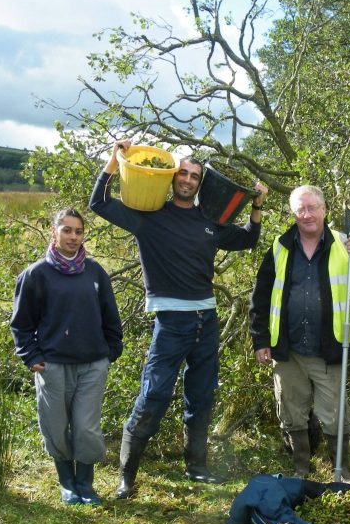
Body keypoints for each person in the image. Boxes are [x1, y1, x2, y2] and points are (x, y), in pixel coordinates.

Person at [90, 141, 268, 497]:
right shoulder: (149, 216)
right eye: (183, 173)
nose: (187, 179)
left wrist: (257, 205)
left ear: (200, 184)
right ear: (172, 178)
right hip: (171, 323)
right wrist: (114, 159)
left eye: (194, 176)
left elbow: (248, 239)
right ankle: (127, 476)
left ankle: (197, 468)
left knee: (202, 396)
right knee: (154, 393)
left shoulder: (210, 222)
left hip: (207, 320)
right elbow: (99, 203)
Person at [249, 185, 350, 482]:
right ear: (294, 214)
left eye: (312, 208)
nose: (307, 215)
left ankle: (341, 471)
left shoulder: (345, 244)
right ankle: (301, 468)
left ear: (324, 209)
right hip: (287, 349)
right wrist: (260, 340)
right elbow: (261, 297)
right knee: (291, 411)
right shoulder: (280, 247)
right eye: (300, 210)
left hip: (329, 348)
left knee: (335, 414)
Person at [10, 207, 124, 506]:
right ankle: (67, 484)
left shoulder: (95, 272)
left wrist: (111, 351)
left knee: (86, 427)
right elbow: (21, 324)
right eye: (67, 230)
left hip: (92, 364)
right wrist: (31, 356)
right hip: (53, 365)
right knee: (56, 426)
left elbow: (111, 317)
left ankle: (86, 484)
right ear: (54, 232)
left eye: (78, 231)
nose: (73, 237)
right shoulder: (36, 275)